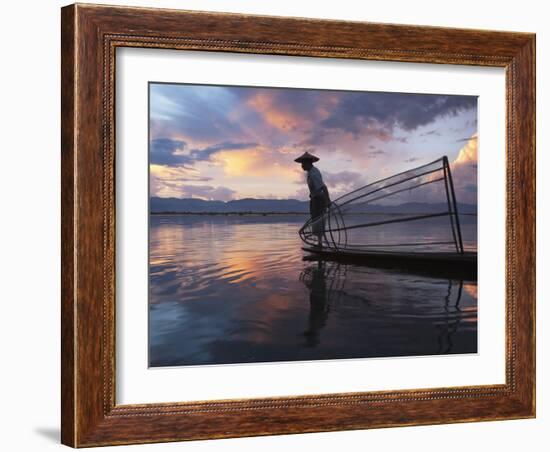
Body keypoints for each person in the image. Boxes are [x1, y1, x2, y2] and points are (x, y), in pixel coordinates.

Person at [294, 152, 331, 248]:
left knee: (319, 220)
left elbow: (324, 187)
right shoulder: (311, 172)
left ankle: (320, 243)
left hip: (319, 200)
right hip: (315, 199)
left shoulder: (314, 173)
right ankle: (319, 243)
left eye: (303, 164)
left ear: (308, 163)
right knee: (316, 220)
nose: (301, 166)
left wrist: (328, 201)